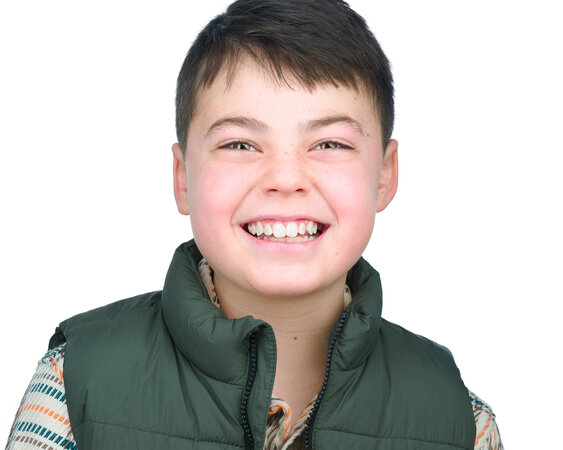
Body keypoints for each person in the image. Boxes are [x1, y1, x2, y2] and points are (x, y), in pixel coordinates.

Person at [6, 0, 502, 449]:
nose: (285, 179)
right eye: (240, 144)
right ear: (182, 177)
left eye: (329, 144)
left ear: (385, 176)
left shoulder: (459, 421)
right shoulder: (76, 385)